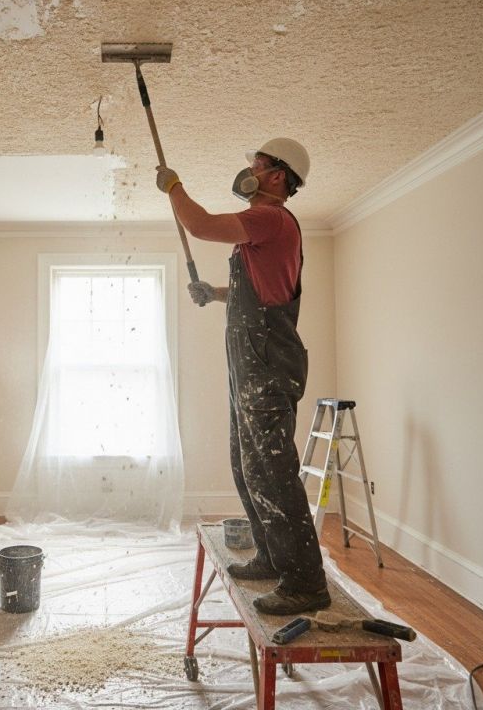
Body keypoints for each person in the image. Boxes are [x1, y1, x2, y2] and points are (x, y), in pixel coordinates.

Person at [156, 138, 330, 615]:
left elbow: (200, 224)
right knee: (247, 465)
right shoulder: (265, 230)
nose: (249, 169)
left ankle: (305, 583)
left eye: (258, 163)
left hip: (267, 365)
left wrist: (174, 187)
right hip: (252, 364)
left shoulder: (269, 218)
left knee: (273, 472)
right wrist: (214, 293)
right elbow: (258, 293)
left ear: (277, 176)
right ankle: (273, 558)